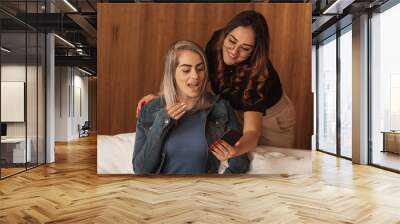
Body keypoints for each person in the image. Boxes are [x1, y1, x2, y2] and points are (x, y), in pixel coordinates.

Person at [136, 10, 296, 161]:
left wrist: (236, 150)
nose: (234, 51)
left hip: (270, 118)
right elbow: (196, 79)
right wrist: (162, 96)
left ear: (254, 51)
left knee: (271, 162)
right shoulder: (215, 44)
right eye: (232, 41)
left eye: (245, 48)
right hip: (233, 108)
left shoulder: (260, 76)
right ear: (225, 35)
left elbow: (252, 132)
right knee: (243, 161)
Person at [133, 40, 249, 175]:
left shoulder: (220, 108)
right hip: (161, 193)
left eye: (200, 69)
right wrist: (161, 122)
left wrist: (218, 187)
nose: (195, 76)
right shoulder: (150, 110)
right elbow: (141, 171)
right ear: (172, 74)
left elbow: (240, 162)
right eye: (186, 70)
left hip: (201, 193)